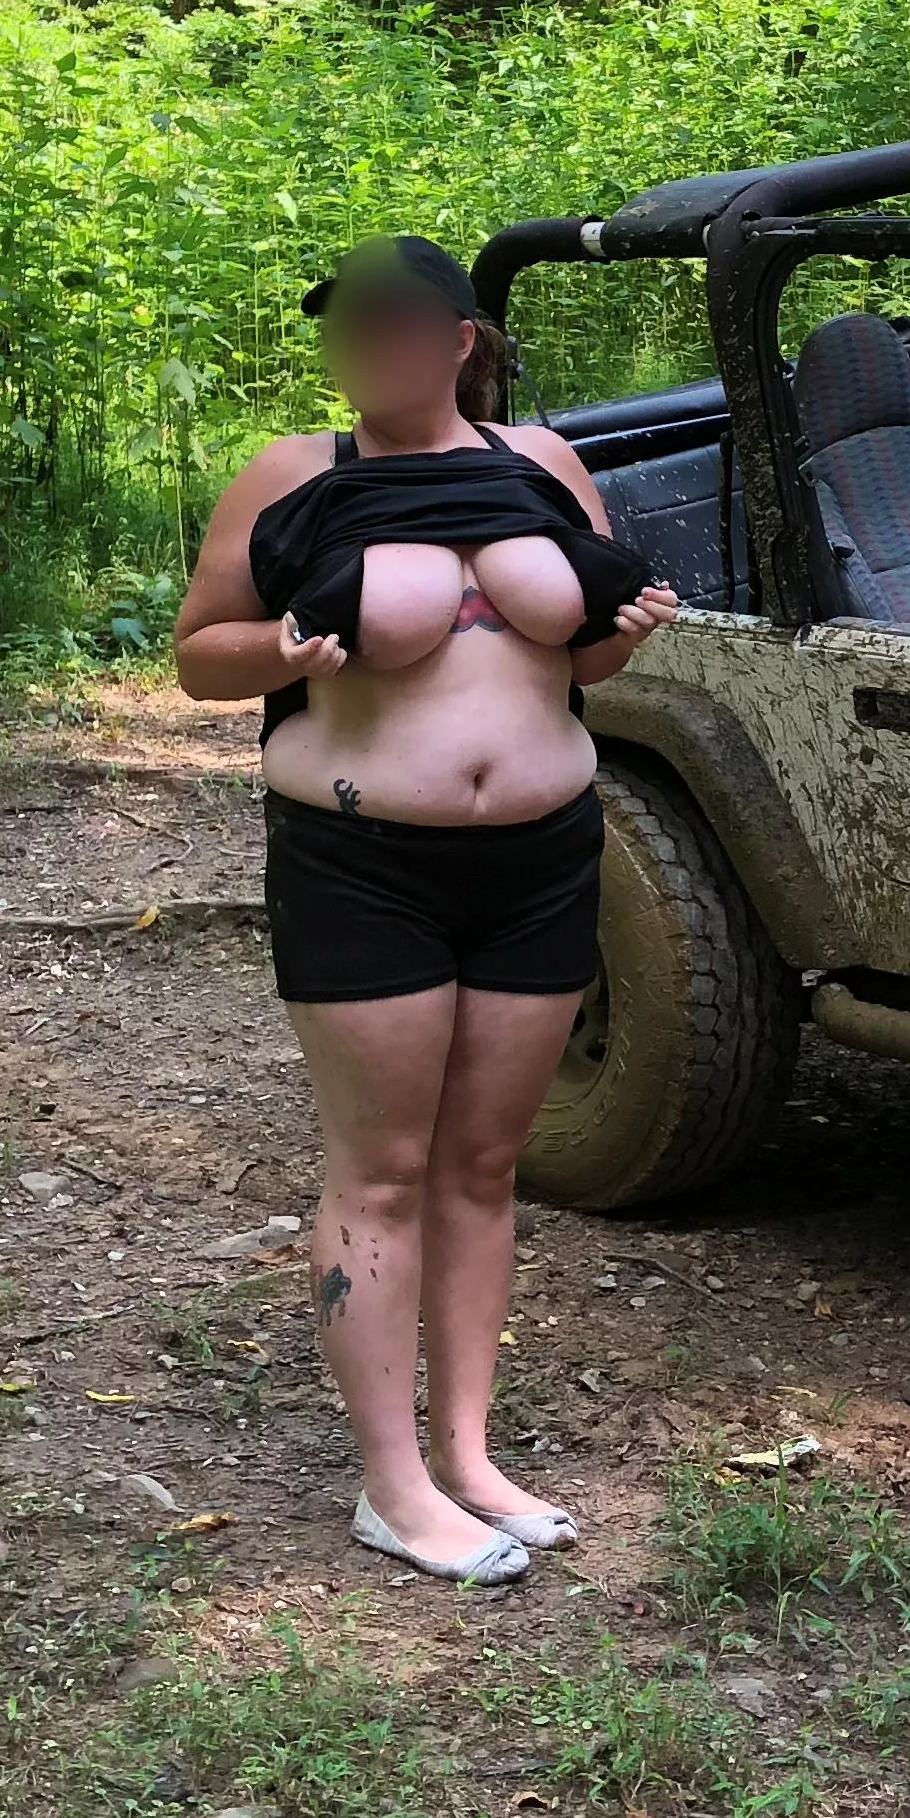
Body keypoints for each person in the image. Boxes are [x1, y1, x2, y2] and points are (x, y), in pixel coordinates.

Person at [173, 236, 679, 1583]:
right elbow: (196, 655)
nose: (372, 344)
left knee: (479, 1165)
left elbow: (581, 646)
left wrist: (630, 632)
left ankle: (466, 1456)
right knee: (384, 1167)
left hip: (541, 861)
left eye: (400, 323)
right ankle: (389, 1485)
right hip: (363, 866)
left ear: (459, 339)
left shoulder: (544, 463)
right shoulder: (296, 474)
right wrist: (280, 649)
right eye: (351, 324)